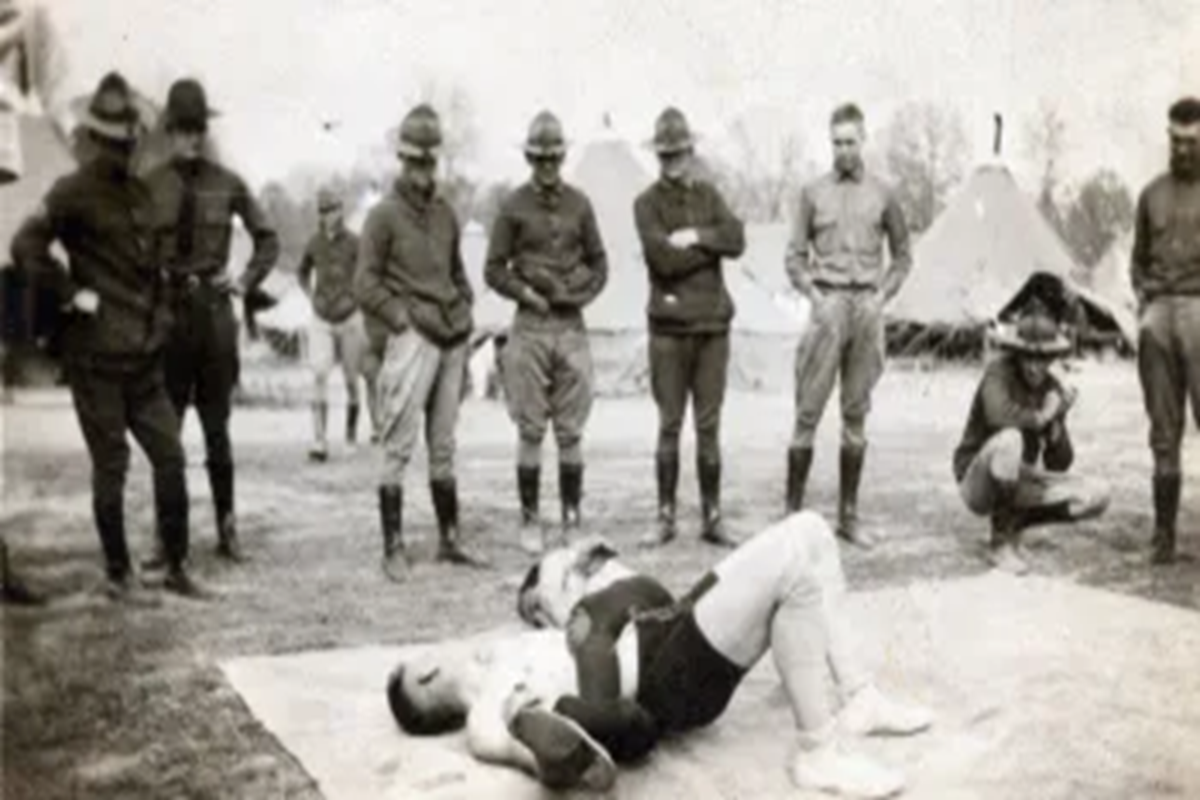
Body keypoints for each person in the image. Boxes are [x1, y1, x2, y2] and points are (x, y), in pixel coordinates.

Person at [386, 511, 934, 799]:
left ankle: (859, 695)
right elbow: (518, 745)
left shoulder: (511, 648)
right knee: (794, 566)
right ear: (427, 672)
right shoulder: (486, 711)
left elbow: (596, 608)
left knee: (810, 532)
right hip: (662, 677)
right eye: (430, 653)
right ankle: (817, 751)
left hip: (663, 630)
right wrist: (555, 752)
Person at [10, 72, 205, 599]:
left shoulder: (140, 194)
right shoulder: (70, 192)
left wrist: (162, 320)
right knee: (112, 464)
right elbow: (25, 245)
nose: (126, 148)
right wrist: (69, 291)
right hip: (95, 359)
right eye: (117, 141)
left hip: (142, 357)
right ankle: (119, 575)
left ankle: (176, 566)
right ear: (98, 138)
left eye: (130, 140)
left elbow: (156, 267)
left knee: (170, 456)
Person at [143, 78, 280, 564]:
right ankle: (165, 537)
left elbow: (268, 238)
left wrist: (242, 281)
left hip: (214, 319)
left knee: (217, 432)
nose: (192, 138)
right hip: (168, 318)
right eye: (183, 128)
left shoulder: (228, 182)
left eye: (198, 128)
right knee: (167, 435)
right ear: (169, 131)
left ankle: (227, 529)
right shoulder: (149, 185)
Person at [354, 104, 487, 581]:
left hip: (452, 337)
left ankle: (449, 539)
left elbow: (458, 274)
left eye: (428, 161)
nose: (421, 170)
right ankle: (393, 547)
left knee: (444, 444)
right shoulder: (382, 217)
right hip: (413, 338)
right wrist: (400, 319)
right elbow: (364, 283)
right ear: (401, 160)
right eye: (413, 160)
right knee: (397, 445)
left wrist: (465, 311)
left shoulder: (446, 214)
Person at [784, 103, 912, 549]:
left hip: (867, 308)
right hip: (829, 305)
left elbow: (903, 256)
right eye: (836, 142)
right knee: (807, 413)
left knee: (856, 415)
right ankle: (791, 518)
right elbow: (794, 257)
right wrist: (815, 295)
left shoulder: (884, 193)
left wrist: (882, 296)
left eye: (850, 142)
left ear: (863, 140)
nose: (843, 150)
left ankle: (849, 516)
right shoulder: (812, 193)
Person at [484, 111, 608, 555]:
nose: (548, 167)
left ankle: (572, 519)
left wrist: (577, 295)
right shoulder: (513, 206)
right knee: (531, 429)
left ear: (563, 157)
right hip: (530, 327)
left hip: (571, 327)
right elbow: (493, 269)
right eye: (540, 159)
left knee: (571, 432)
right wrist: (527, 294)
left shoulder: (580, 204)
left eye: (554, 158)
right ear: (528, 159)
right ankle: (530, 519)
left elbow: (600, 264)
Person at [633, 107, 746, 549]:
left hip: (713, 328)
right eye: (665, 154)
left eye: (679, 153)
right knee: (669, 424)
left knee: (709, 426)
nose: (673, 161)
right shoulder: (645, 204)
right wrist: (708, 251)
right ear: (657, 156)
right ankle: (665, 516)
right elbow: (663, 260)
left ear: (690, 151)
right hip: (668, 331)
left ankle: (712, 517)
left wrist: (696, 236)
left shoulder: (709, 196)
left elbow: (736, 238)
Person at [953, 302, 1110, 573]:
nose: (1035, 368)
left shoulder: (1051, 387)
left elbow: (1060, 463)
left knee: (1097, 494)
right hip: (978, 481)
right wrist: (1044, 415)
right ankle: (1000, 543)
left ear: (1053, 357)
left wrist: (1057, 422)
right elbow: (997, 415)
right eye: (1028, 358)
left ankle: (1015, 522)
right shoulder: (998, 372)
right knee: (1010, 439)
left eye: (1043, 359)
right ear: (1016, 353)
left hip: (1019, 479)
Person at [1131, 96, 1200, 565]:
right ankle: (1163, 536)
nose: (1183, 149)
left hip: (1199, 311)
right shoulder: (1150, 194)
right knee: (1163, 430)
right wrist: (1145, 303)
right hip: (1158, 318)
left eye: (1192, 141)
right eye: (1176, 140)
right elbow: (1137, 260)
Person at [297, 186, 378, 462]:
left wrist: (356, 297)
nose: (326, 215)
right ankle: (319, 441)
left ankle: (351, 436)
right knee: (319, 374)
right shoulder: (314, 243)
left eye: (331, 209)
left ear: (340, 211)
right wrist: (310, 296)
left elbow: (368, 273)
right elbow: (301, 272)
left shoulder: (355, 242)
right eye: (322, 211)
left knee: (351, 380)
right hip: (321, 316)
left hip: (350, 317)